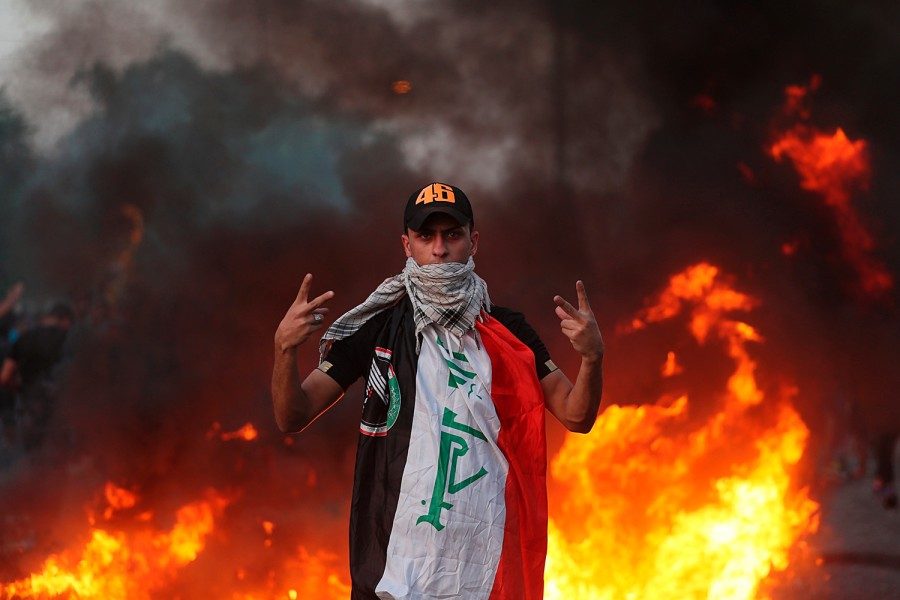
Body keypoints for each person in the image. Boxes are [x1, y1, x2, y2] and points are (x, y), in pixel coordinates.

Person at [272, 183, 604, 599]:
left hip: (479, 566)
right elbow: (293, 415)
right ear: (407, 245)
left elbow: (576, 415)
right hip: (395, 566)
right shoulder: (380, 326)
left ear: (473, 242)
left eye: (452, 235)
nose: (440, 249)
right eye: (426, 236)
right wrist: (284, 349)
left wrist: (592, 358)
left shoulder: (508, 330)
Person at [0, 300, 75, 452]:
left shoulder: (24, 338)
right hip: (63, 411)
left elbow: (5, 377)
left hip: (30, 407)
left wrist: (20, 388)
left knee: (34, 453)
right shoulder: (72, 341)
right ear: (65, 320)